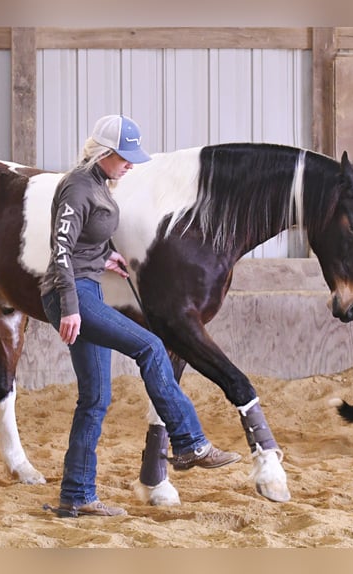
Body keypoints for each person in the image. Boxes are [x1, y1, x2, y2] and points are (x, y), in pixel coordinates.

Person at [40, 114, 241, 517]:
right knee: (150, 346)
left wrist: (104, 256)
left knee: (95, 397)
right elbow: (59, 250)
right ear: (104, 153)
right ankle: (188, 442)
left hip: (88, 286)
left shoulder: (98, 183)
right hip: (72, 292)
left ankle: (76, 495)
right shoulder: (78, 187)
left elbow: (82, 243)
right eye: (124, 156)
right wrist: (69, 307)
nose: (131, 163)